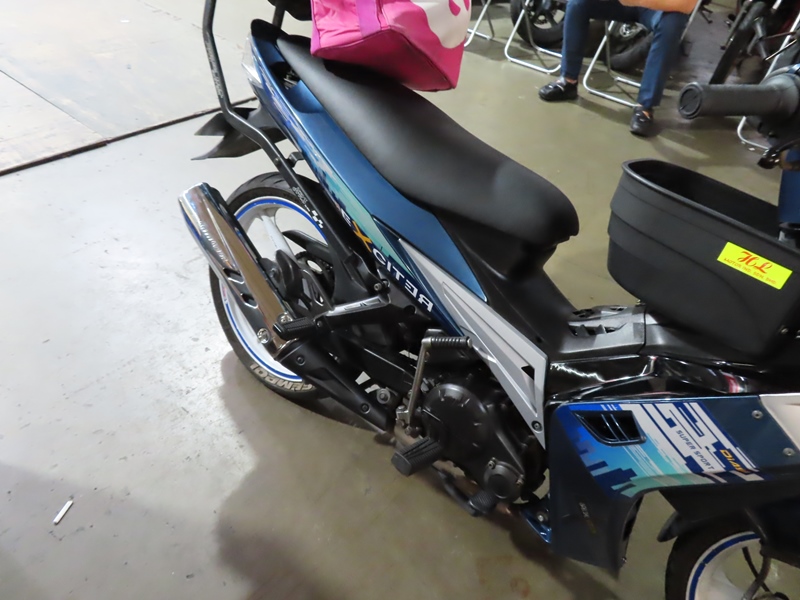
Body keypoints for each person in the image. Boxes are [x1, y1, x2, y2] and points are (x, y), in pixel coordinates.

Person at [539, 0, 697, 137]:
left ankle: (645, 107)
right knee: (578, 4)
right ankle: (568, 81)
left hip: (659, 8)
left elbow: (686, 5)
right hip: (622, 4)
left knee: (672, 24)